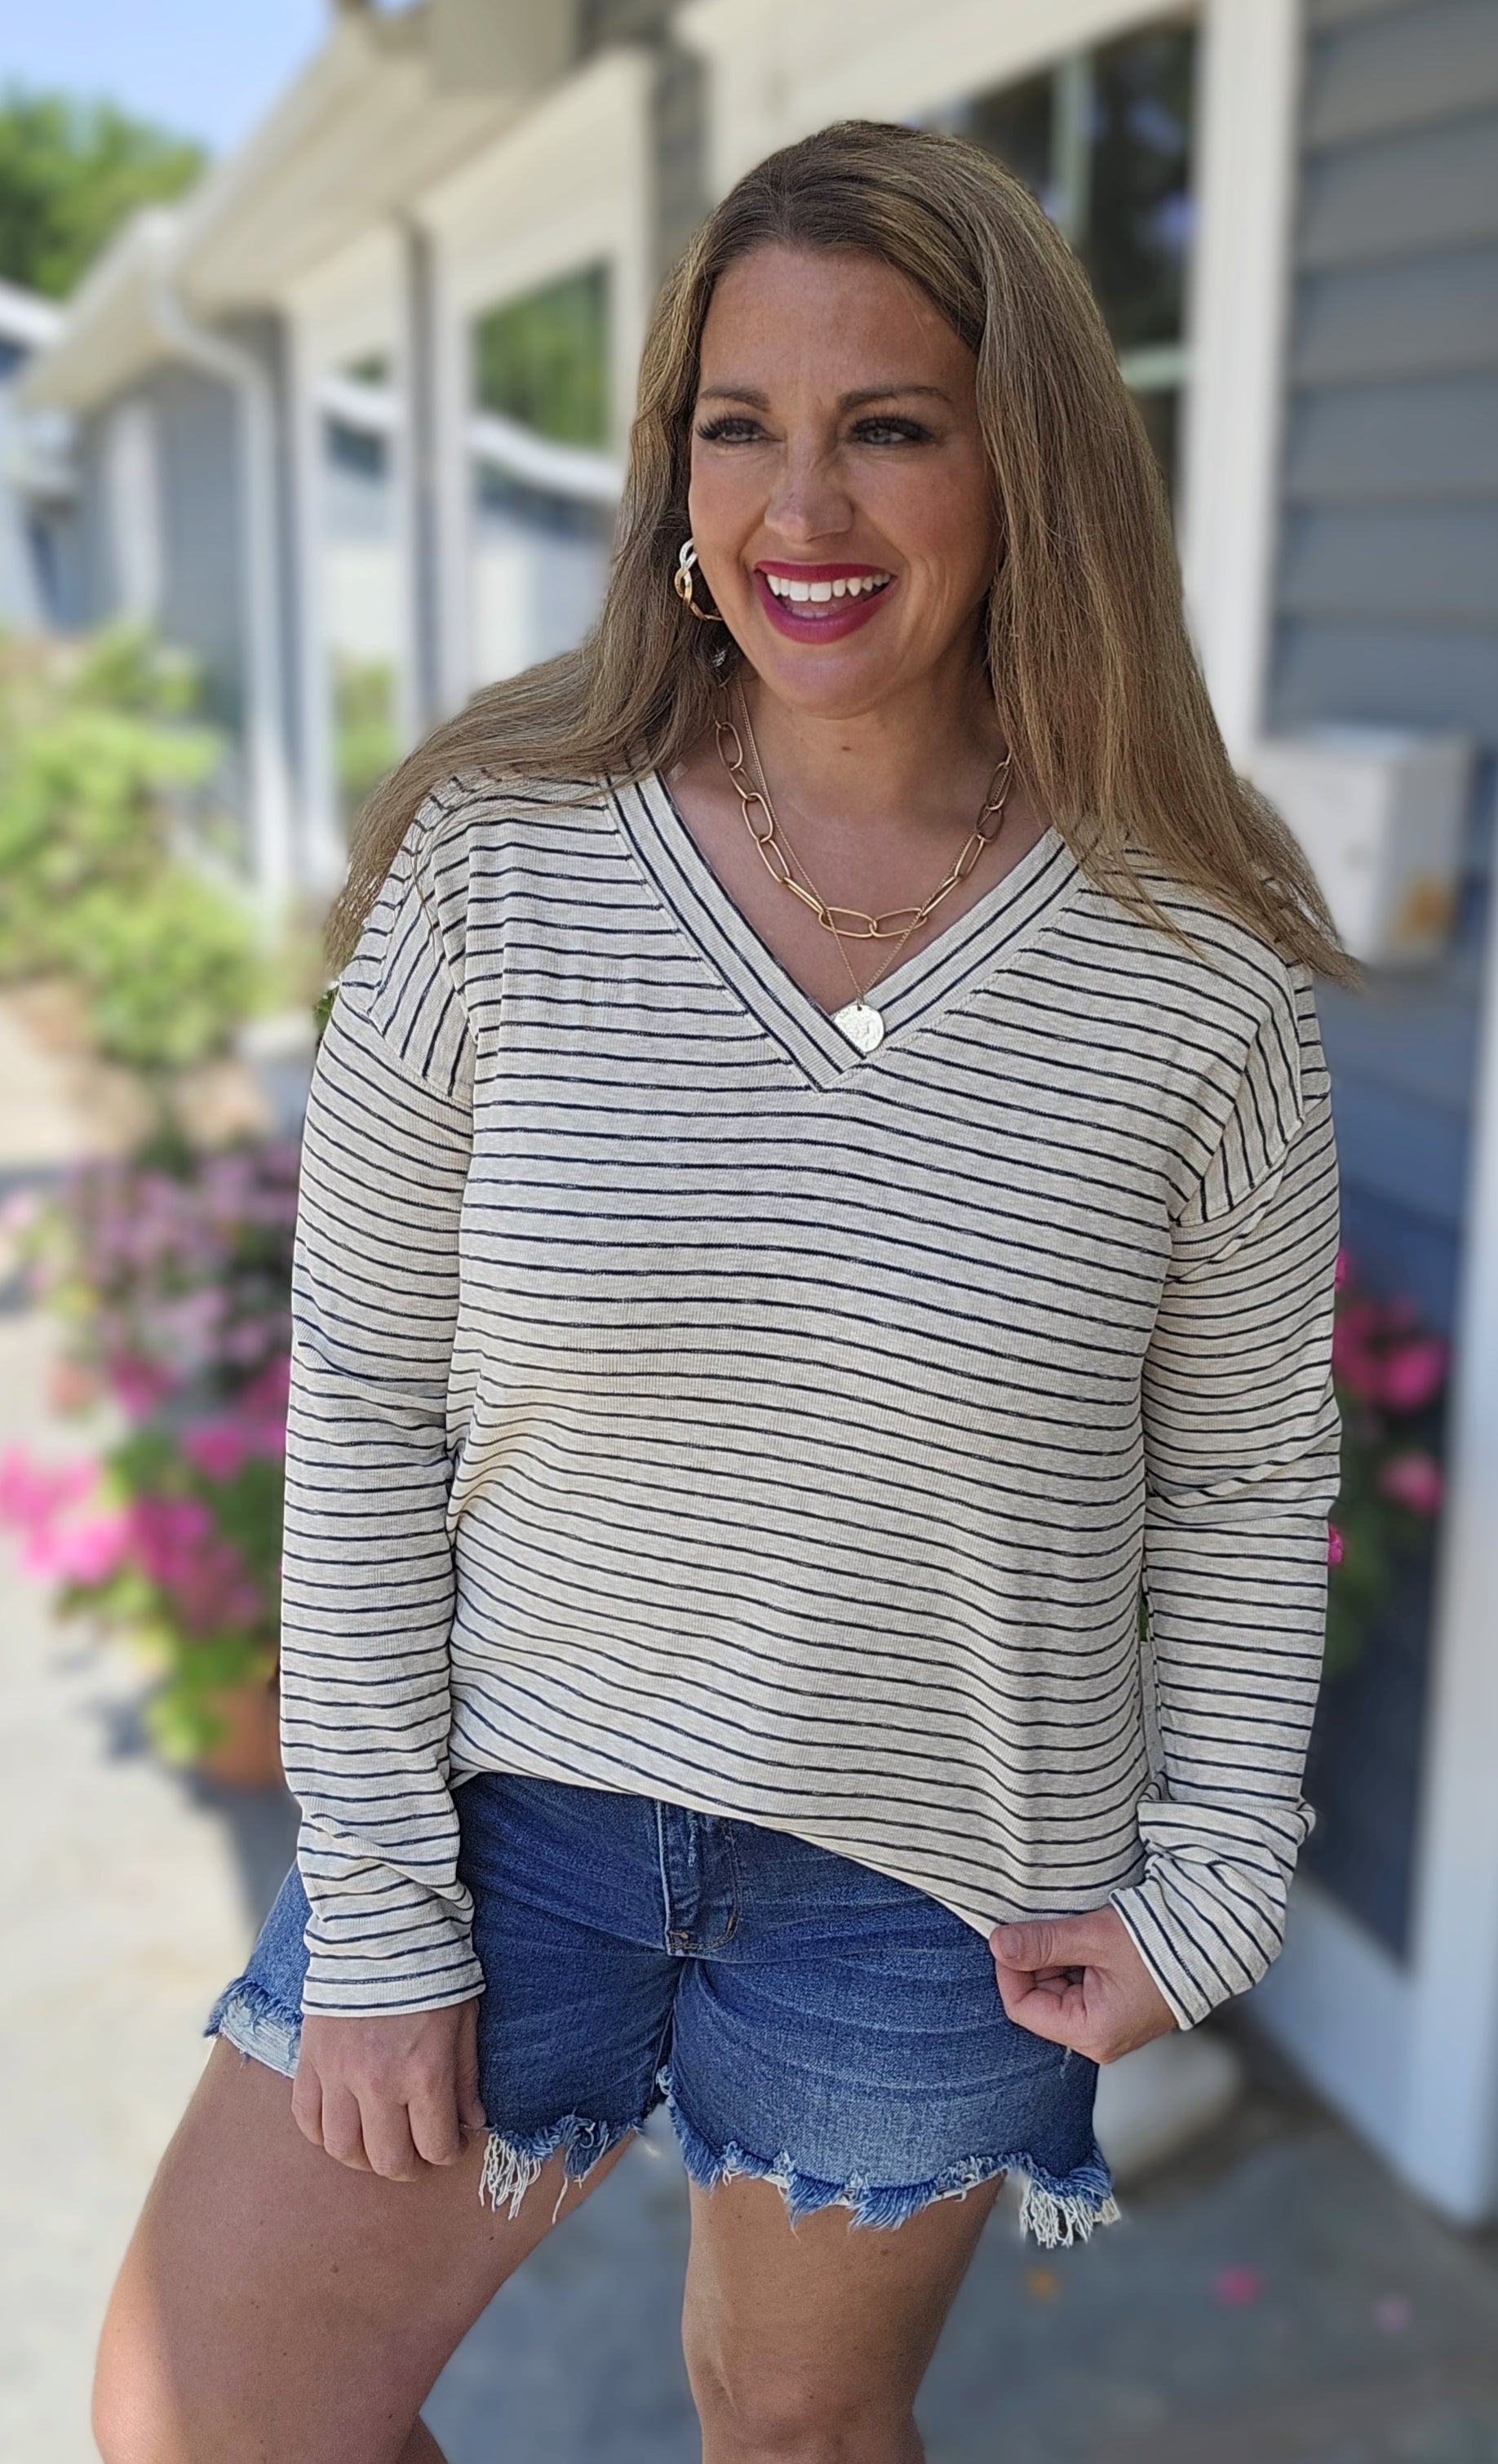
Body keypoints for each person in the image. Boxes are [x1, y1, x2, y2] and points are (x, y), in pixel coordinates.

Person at [94, 121, 1345, 2464]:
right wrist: (378, 1904)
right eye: (738, 424)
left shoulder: (1195, 974)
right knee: (217, 2412)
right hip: (510, 1811)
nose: (802, 508)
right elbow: (361, 1397)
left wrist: (1211, 1888)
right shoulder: (498, 863)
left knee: (796, 2432)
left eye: (890, 426)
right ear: (671, 467)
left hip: (935, 1874)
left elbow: (1245, 1469)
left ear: (1029, 466)